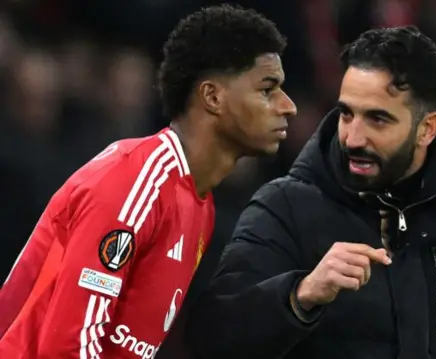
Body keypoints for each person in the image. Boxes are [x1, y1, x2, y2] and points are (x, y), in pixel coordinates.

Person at [186, 26, 436, 359]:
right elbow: (213, 341)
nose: (353, 137)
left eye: (378, 119)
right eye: (346, 113)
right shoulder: (284, 207)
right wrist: (300, 295)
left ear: (428, 128)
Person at [0, 4, 296, 358]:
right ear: (213, 97)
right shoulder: (136, 181)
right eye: (268, 89)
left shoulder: (199, 206)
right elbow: (67, 348)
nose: (288, 106)